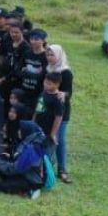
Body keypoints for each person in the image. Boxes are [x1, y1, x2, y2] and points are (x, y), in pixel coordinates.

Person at [0, 112, 47, 199]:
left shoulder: (33, 149)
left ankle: (31, 189)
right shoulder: (27, 141)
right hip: (24, 173)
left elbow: (16, 168)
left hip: (30, 180)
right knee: (3, 165)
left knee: (1, 186)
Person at [46, 44, 74, 183]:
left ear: (59, 55)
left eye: (52, 55)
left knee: (60, 140)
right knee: (49, 139)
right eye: (48, 55)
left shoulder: (65, 72)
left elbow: (69, 92)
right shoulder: (48, 69)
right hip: (47, 110)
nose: (50, 58)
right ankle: (48, 167)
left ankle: (62, 169)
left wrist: (63, 94)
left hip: (61, 112)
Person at [17, 29, 49, 108]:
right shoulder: (27, 53)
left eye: (36, 39)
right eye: (31, 39)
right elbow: (17, 71)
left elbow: (43, 75)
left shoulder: (46, 56)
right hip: (24, 89)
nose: (33, 41)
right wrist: (34, 73)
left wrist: (26, 72)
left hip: (38, 92)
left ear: (43, 40)